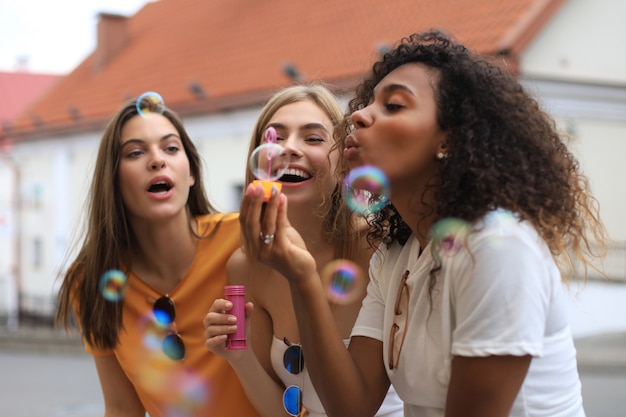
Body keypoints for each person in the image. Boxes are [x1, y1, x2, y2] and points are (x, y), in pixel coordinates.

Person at [235, 30, 609, 417]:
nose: (358, 115)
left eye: (394, 105)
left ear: (449, 139)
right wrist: (302, 279)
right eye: (366, 104)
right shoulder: (397, 254)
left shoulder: (498, 246)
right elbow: (352, 407)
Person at [203, 84, 403, 417]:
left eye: (313, 138)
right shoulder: (246, 266)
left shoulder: (382, 244)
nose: (288, 149)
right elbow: (284, 413)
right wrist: (240, 359)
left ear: (344, 161)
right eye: (275, 138)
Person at [55, 96, 261, 417]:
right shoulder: (89, 281)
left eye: (171, 148)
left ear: (191, 173)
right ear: (113, 180)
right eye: (135, 153)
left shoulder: (246, 239)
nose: (156, 160)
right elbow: (122, 408)